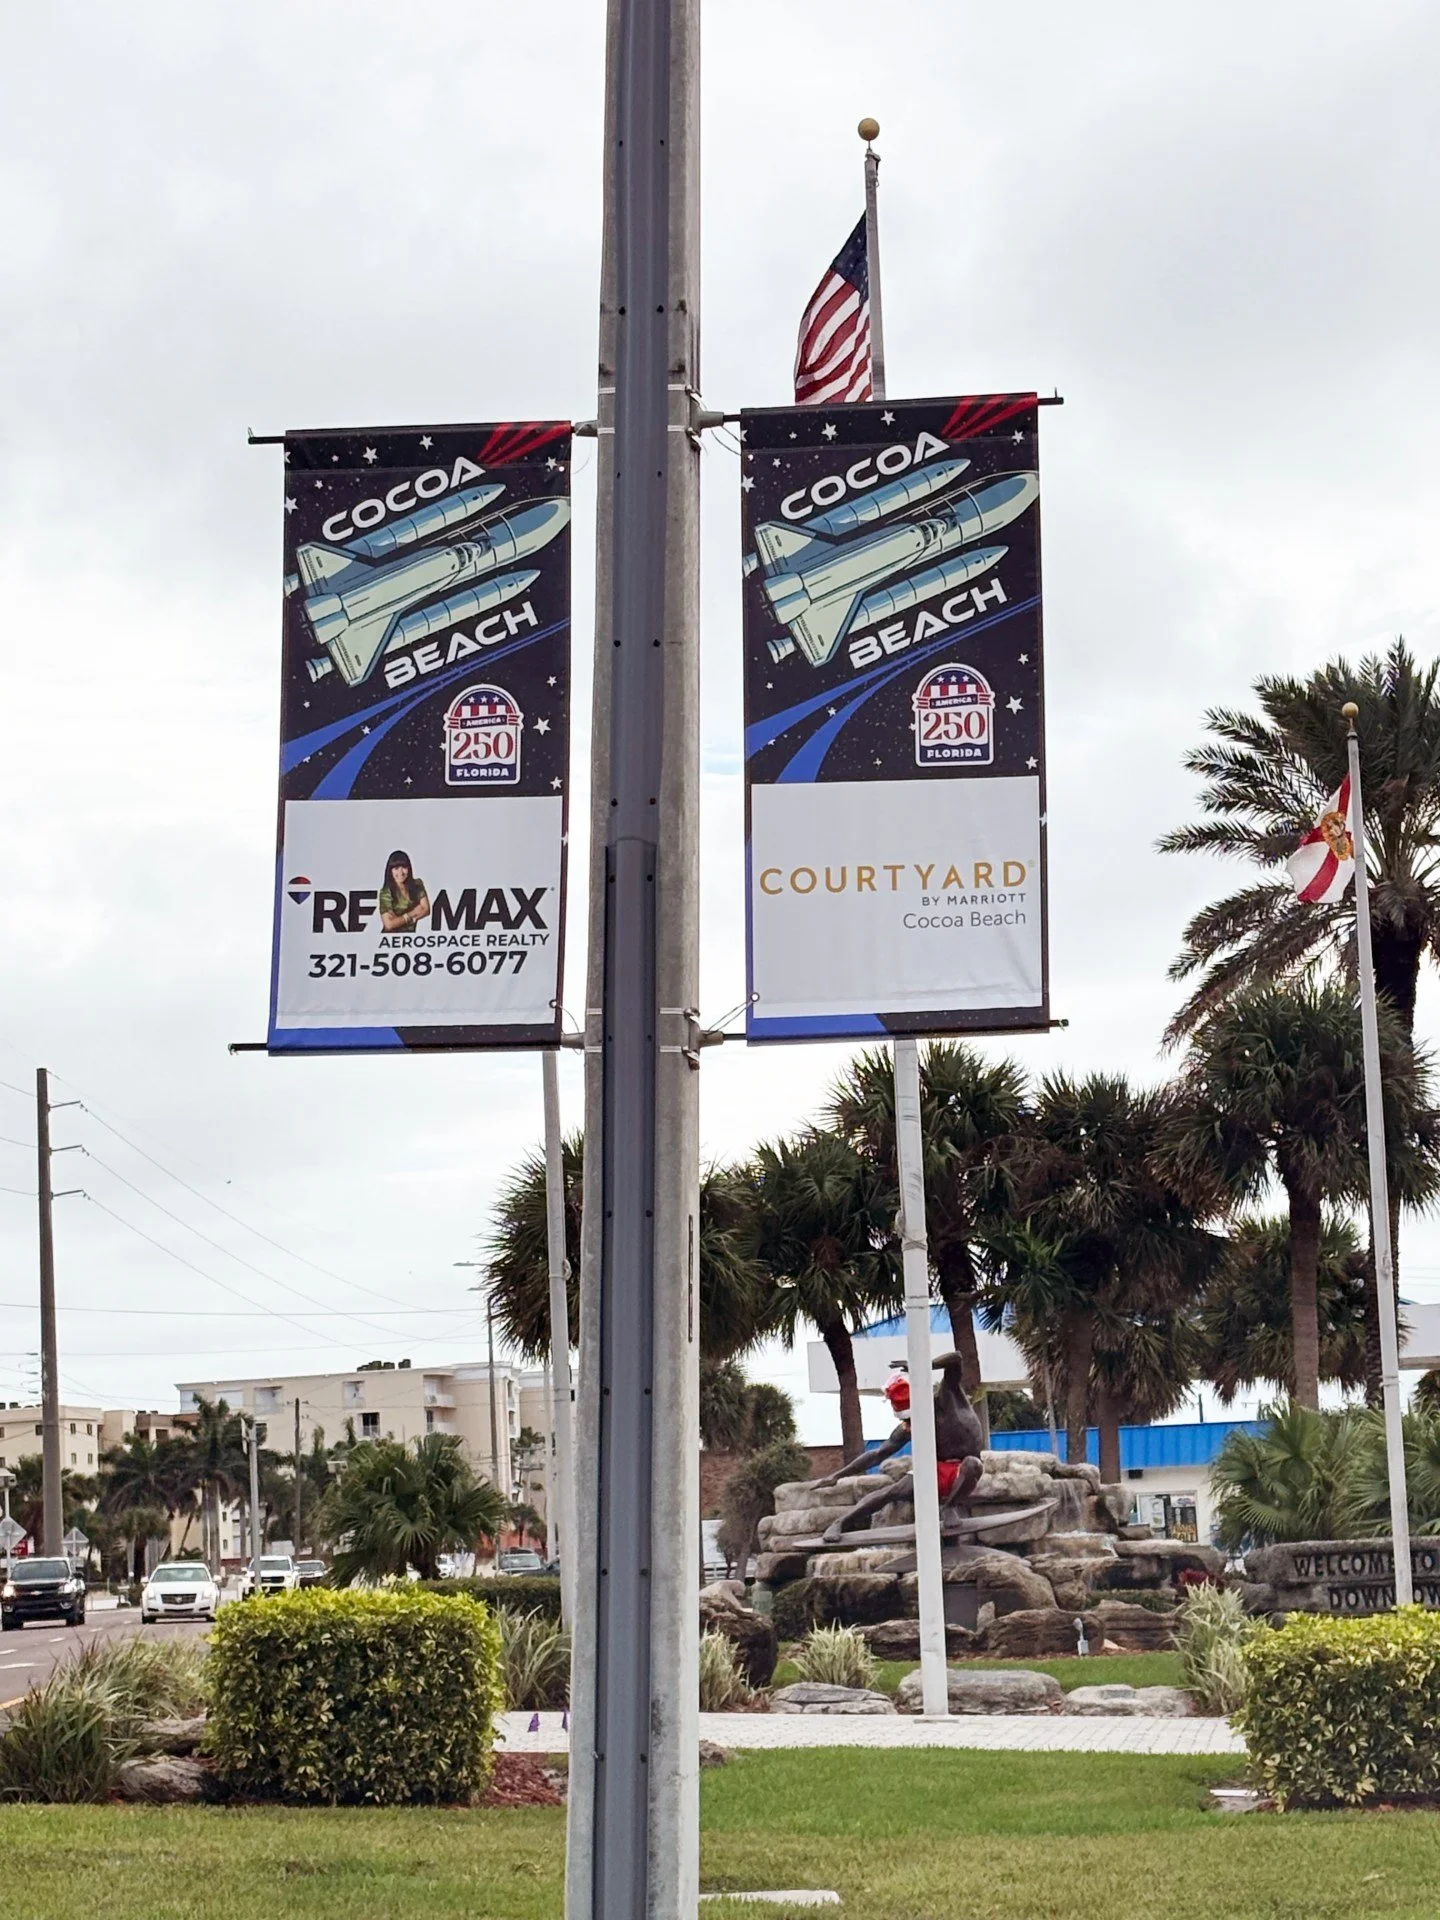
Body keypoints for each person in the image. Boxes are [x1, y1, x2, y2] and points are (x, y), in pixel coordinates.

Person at [814, 1350, 984, 1543]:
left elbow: (956, 1358)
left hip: (962, 1469)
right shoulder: (908, 1428)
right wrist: (837, 1475)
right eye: (907, 1419)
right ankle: (840, 1522)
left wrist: (922, 1368)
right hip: (933, 1471)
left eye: (912, 1417)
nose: (910, 1423)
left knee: (973, 1465)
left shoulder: (949, 1398)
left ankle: (950, 1507)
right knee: (891, 1491)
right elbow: (878, 1454)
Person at [378, 850, 430, 933]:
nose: (401, 872)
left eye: (404, 868)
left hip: (410, 936)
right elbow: (389, 924)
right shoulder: (386, 892)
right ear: (390, 871)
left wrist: (402, 919)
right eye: (396, 868)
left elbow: (426, 909)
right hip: (391, 938)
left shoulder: (417, 884)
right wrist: (413, 913)